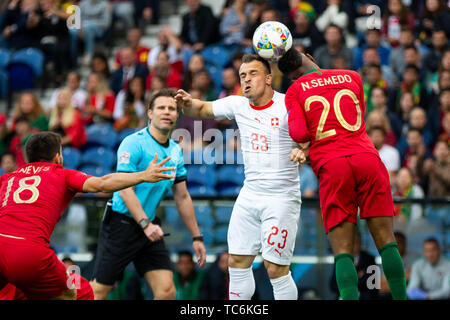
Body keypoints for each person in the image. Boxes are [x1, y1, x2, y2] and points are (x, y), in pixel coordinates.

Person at [278, 48, 407, 300]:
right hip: (367, 158)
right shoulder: (352, 77)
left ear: (292, 76)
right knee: (386, 241)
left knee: (344, 251)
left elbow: (299, 134)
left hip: (333, 166)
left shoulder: (295, 91)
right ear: (311, 59)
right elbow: (357, 112)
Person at [175, 54, 302, 300]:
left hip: (281, 197)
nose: (246, 80)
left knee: (275, 269)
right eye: (242, 75)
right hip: (250, 194)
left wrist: (302, 148)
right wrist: (187, 102)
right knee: (237, 261)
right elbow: (200, 108)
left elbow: (310, 134)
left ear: (268, 78)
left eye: (252, 74)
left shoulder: (288, 104)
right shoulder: (238, 104)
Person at [0, 131, 176, 300]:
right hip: (29, 252)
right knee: (83, 291)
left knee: (20, 292)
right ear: (57, 157)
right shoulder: (61, 174)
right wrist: (143, 175)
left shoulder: (7, 178)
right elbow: (102, 184)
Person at [90, 88, 206, 300]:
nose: (167, 112)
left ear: (177, 115)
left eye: (172, 108)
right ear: (150, 113)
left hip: (150, 227)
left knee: (167, 291)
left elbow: (182, 196)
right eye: (161, 107)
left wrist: (196, 236)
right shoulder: (133, 143)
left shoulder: (175, 151)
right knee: (98, 292)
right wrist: (145, 224)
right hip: (121, 226)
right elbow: (124, 189)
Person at [330, 232, 379, 300]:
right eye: (351, 242)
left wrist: (347, 281)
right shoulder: (340, 260)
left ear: (360, 242)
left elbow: (373, 285)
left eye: (356, 242)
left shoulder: (369, 259)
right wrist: (358, 279)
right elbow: (333, 285)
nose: (354, 245)